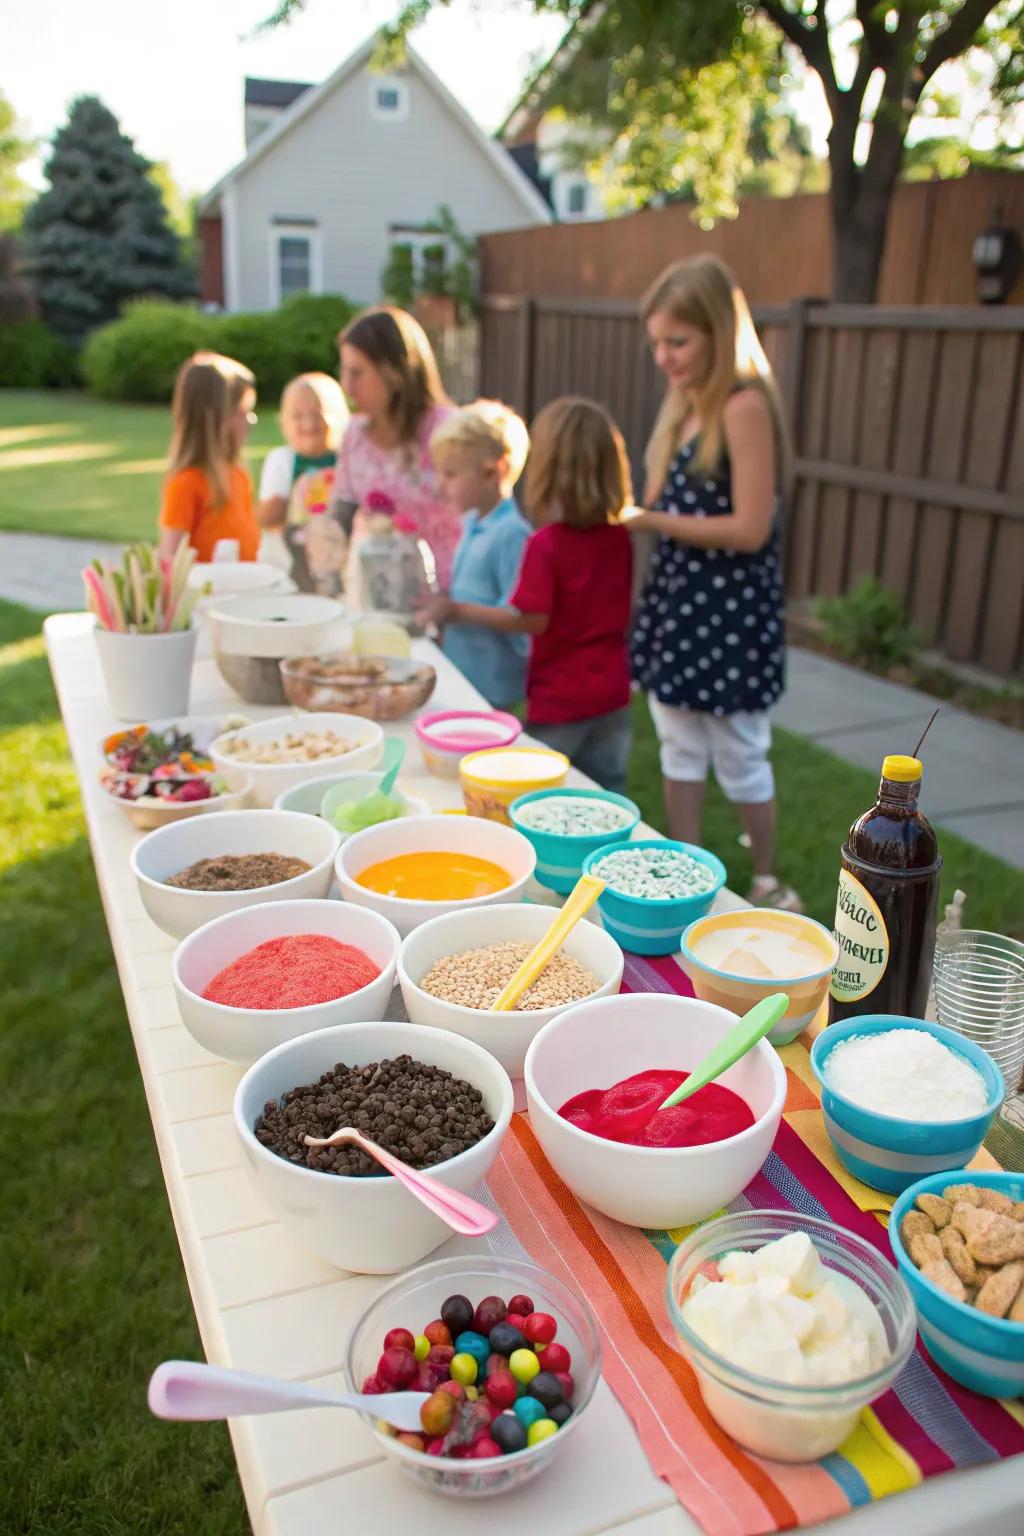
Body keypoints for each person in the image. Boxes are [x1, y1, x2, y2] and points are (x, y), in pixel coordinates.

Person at [627, 254, 800, 911]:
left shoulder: (743, 406)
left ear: (718, 333)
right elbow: (654, 501)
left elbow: (751, 528)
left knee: (740, 751)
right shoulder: (684, 409)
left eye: (678, 341)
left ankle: (765, 878)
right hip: (680, 607)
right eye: (657, 344)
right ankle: (685, 864)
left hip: (727, 615)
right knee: (679, 743)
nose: (665, 357)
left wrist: (652, 519)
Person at [428, 396, 634, 793]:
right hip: (611, 692)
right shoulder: (619, 538)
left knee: (539, 795)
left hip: (560, 698)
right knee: (607, 795)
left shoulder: (545, 544)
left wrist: (455, 610)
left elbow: (533, 618)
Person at [321, 306, 457, 595]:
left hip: (446, 600)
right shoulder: (354, 435)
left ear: (395, 373)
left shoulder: (446, 432)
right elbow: (341, 511)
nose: (346, 385)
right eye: (344, 371)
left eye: (357, 372)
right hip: (376, 592)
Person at [424, 400, 532, 709]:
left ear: (492, 471)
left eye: (450, 474)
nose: (440, 485)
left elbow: (520, 616)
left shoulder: (512, 534)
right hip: (463, 675)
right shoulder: (472, 523)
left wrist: (457, 611)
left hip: (493, 686)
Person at [158, 353, 259, 563]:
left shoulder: (237, 475)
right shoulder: (187, 483)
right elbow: (169, 558)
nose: (250, 421)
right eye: (242, 413)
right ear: (217, 421)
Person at [256, 372, 349, 591]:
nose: (309, 423)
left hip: (337, 565)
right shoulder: (282, 460)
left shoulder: (346, 460)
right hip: (286, 567)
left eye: (318, 413)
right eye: (297, 416)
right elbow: (268, 518)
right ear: (283, 423)